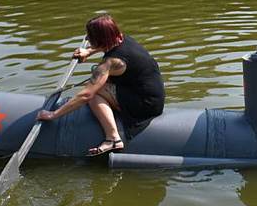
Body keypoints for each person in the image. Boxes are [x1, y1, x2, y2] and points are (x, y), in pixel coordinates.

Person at [37, 14, 165, 156]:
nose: (87, 38)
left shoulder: (110, 63)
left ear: (98, 39)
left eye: (90, 36)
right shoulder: (122, 38)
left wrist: (53, 115)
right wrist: (89, 51)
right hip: (153, 96)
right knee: (95, 84)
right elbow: (106, 44)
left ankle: (113, 138)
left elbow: (86, 95)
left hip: (145, 105)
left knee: (93, 92)